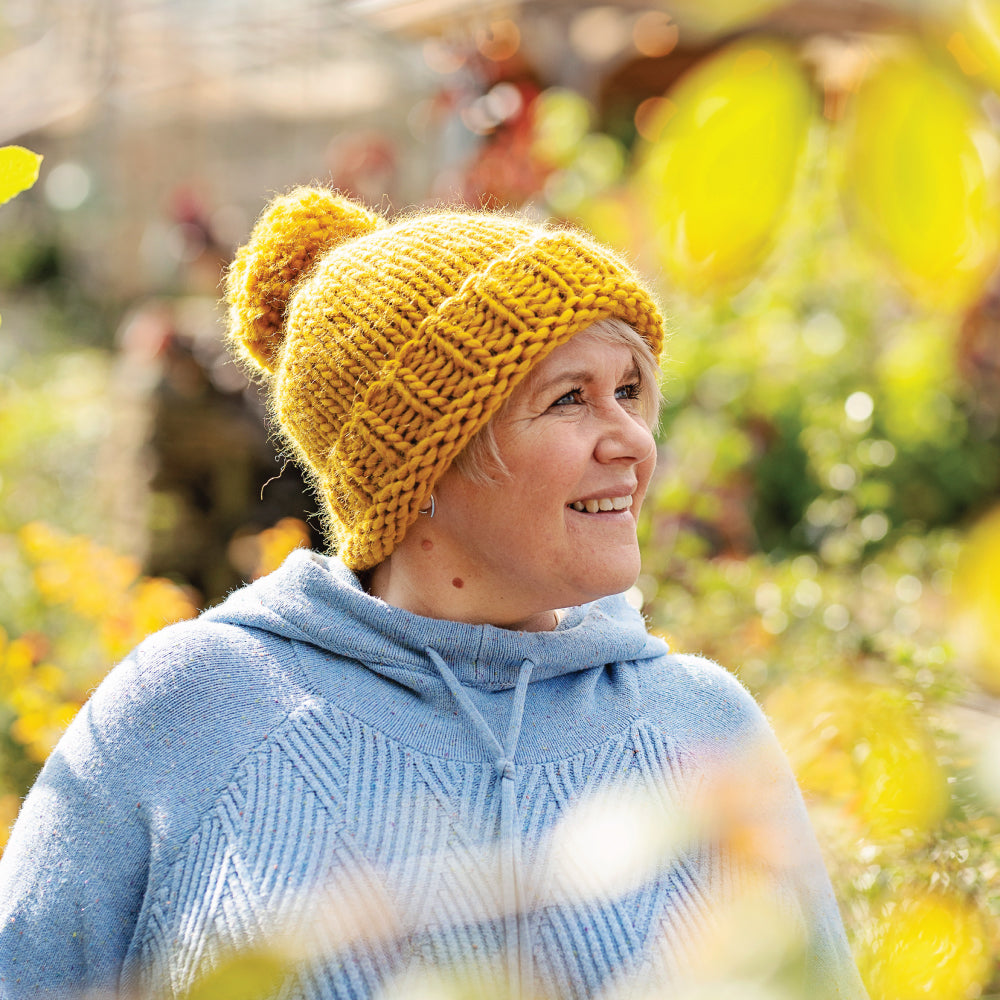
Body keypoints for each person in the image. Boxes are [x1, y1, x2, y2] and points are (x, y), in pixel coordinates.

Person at [0, 188, 868, 1000]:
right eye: (571, 399)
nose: (633, 442)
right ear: (421, 467)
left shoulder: (703, 727)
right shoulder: (191, 709)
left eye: (631, 392)